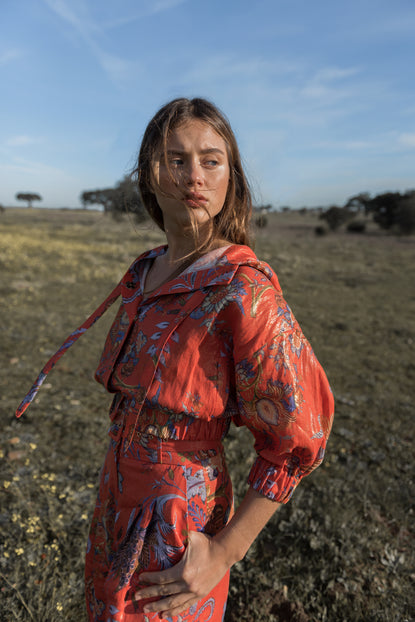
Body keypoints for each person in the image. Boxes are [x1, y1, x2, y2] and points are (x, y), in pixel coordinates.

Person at [16, 97, 334, 622]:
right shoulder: (144, 272)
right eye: (176, 158)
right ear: (149, 172)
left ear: (231, 175)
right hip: (113, 506)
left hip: (178, 524)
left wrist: (224, 552)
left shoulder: (244, 288)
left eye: (211, 160)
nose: (195, 175)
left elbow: (300, 438)